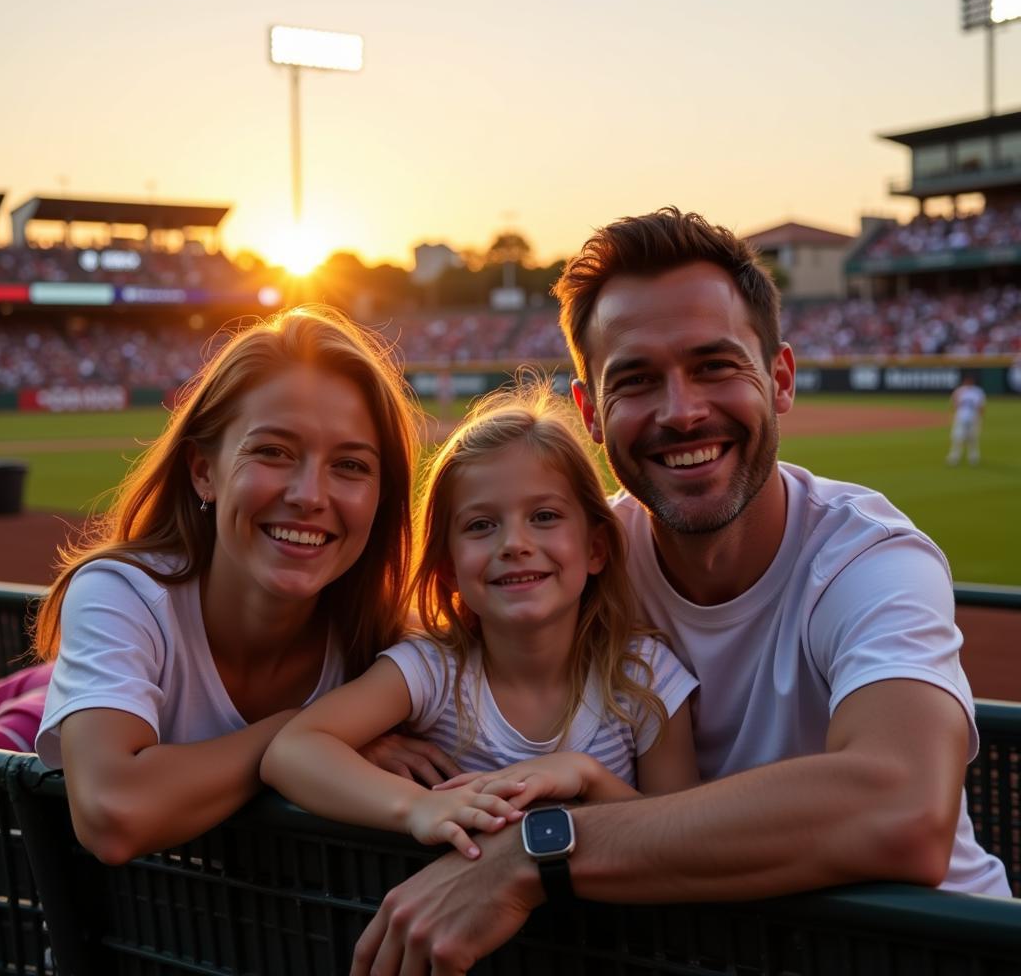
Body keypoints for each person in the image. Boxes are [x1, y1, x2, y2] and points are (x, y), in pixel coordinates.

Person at [352, 208, 1010, 976]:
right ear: (593, 413)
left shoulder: (868, 557)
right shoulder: (583, 558)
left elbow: (904, 813)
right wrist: (381, 740)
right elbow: (431, 650)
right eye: (636, 380)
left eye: (715, 366)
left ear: (781, 379)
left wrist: (539, 854)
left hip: (941, 951)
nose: (681, 410)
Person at [31, 304, 448, 864]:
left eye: (350, 466)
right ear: (204, 470)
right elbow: (113, 812)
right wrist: (309, 738)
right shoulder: (123, 595)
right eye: (273, 452)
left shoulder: (398, 647)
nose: (309, 495)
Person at [261, 383, 699, 859]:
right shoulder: (433, 670)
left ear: (595, 548)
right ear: (448, 567)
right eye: (481, 525)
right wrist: (417, 808)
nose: (513, 543)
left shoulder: (644, 677)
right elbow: (292, 752)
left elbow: (680, 842)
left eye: (545, 516)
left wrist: (587, 778)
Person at [946, 372, 986, 466]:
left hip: (973, 417)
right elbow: (954, 403)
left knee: (972, 438)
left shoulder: (978, 391)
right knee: (957, 438)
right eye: (967, 380)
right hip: (961, 417)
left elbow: (981, 406)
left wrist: (980, 418)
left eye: (970, 381)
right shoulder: (959, 391)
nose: (968, 382)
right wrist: (956, 414)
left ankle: (973, 458)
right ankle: (954, 457)